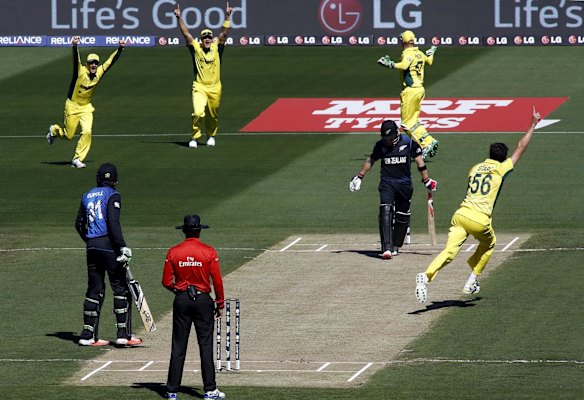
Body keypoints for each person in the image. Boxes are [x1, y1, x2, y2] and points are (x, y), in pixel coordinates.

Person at [415, 107, 541, 303]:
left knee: (448, 252)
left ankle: (426, 276)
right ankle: (471, 281)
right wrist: (532, 124)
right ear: (502, 157)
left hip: (460, 215)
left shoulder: (474, 168)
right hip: (480, 219)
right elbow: (521, 146)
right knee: (489, 244)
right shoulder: (501, 169)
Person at [75, 163, 142, 347]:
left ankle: (87, 335)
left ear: (98, 178)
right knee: (121, 288)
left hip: (92, 247)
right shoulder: (112, 195)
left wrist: (90, 241)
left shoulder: (86, 195)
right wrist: (122, 247)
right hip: (108, 246)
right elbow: (113, 223)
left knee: (94, 289)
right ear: (115, 179)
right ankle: (123, 335)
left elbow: (79, 224)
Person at [349, 120, 437, 259]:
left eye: (390, 139)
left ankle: (396, 246)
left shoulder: (408, 143)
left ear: (397, 133)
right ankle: (387, 248)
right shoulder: (380, 145)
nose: (388, 142)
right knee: (385, 210)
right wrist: (359, 177)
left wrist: (426, 180)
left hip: (404, 185)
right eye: (385, 139)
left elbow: (420, 161)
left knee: (402, 216)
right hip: (387, 183)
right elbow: (371, 160)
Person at [162, 215, 225, 400]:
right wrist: (219, 303)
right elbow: (218, 281)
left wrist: (180, 291)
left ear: (184, 230)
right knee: (205, 345)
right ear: (198, 231)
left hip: (182, 300)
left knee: (178, 345)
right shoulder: (208, 251)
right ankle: (210, 390)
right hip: (203, 301)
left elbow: (166, 281)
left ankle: (172, 391)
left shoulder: (173, 252)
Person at [46, 36, 126, 168]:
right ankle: (54, 131)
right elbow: (76, 61)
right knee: (69, 135)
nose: (94, 65)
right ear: (87, 64)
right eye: (91, 62)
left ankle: (77, 158)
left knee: (87, 131)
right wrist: (74, 46)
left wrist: (120, 49)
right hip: (72, 106)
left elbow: (109, 62)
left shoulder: (99, 72)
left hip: (86, 108)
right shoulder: (80, 72)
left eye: (96, 62)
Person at [174, 2, 232, 149]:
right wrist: (179, 18)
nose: (207, 39)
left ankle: (211, 136)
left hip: (215, 87)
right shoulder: (196, 48)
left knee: (212, 115)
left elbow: (224, 33)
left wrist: (227, 16)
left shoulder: (217, 47)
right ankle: (194, 137)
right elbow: (186, 34)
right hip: (199, 86)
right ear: (201, 39)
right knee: (198, 113)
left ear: (211, 38)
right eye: (204, 37)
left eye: (209, 37)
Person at [377, 30, 440, 160]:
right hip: (420, 89)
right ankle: (429, 140)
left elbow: (404, 65)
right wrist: (431, 53)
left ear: (404, 41)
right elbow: (429, 61)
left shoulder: (408, 53)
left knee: (406, 124)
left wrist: (391, 64)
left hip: (410, 91)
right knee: (414, 122)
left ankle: (424, 145)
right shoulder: (419, 53)